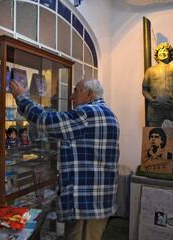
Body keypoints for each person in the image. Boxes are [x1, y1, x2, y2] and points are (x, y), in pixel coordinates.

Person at [10, 78, 120, 240]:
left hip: (85, 201)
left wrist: (21, 97)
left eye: (76, 91)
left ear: (89, 94)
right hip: (99, 199)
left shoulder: (87, 113)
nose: (71, 96)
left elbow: (46, 121)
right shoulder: (109, 114)